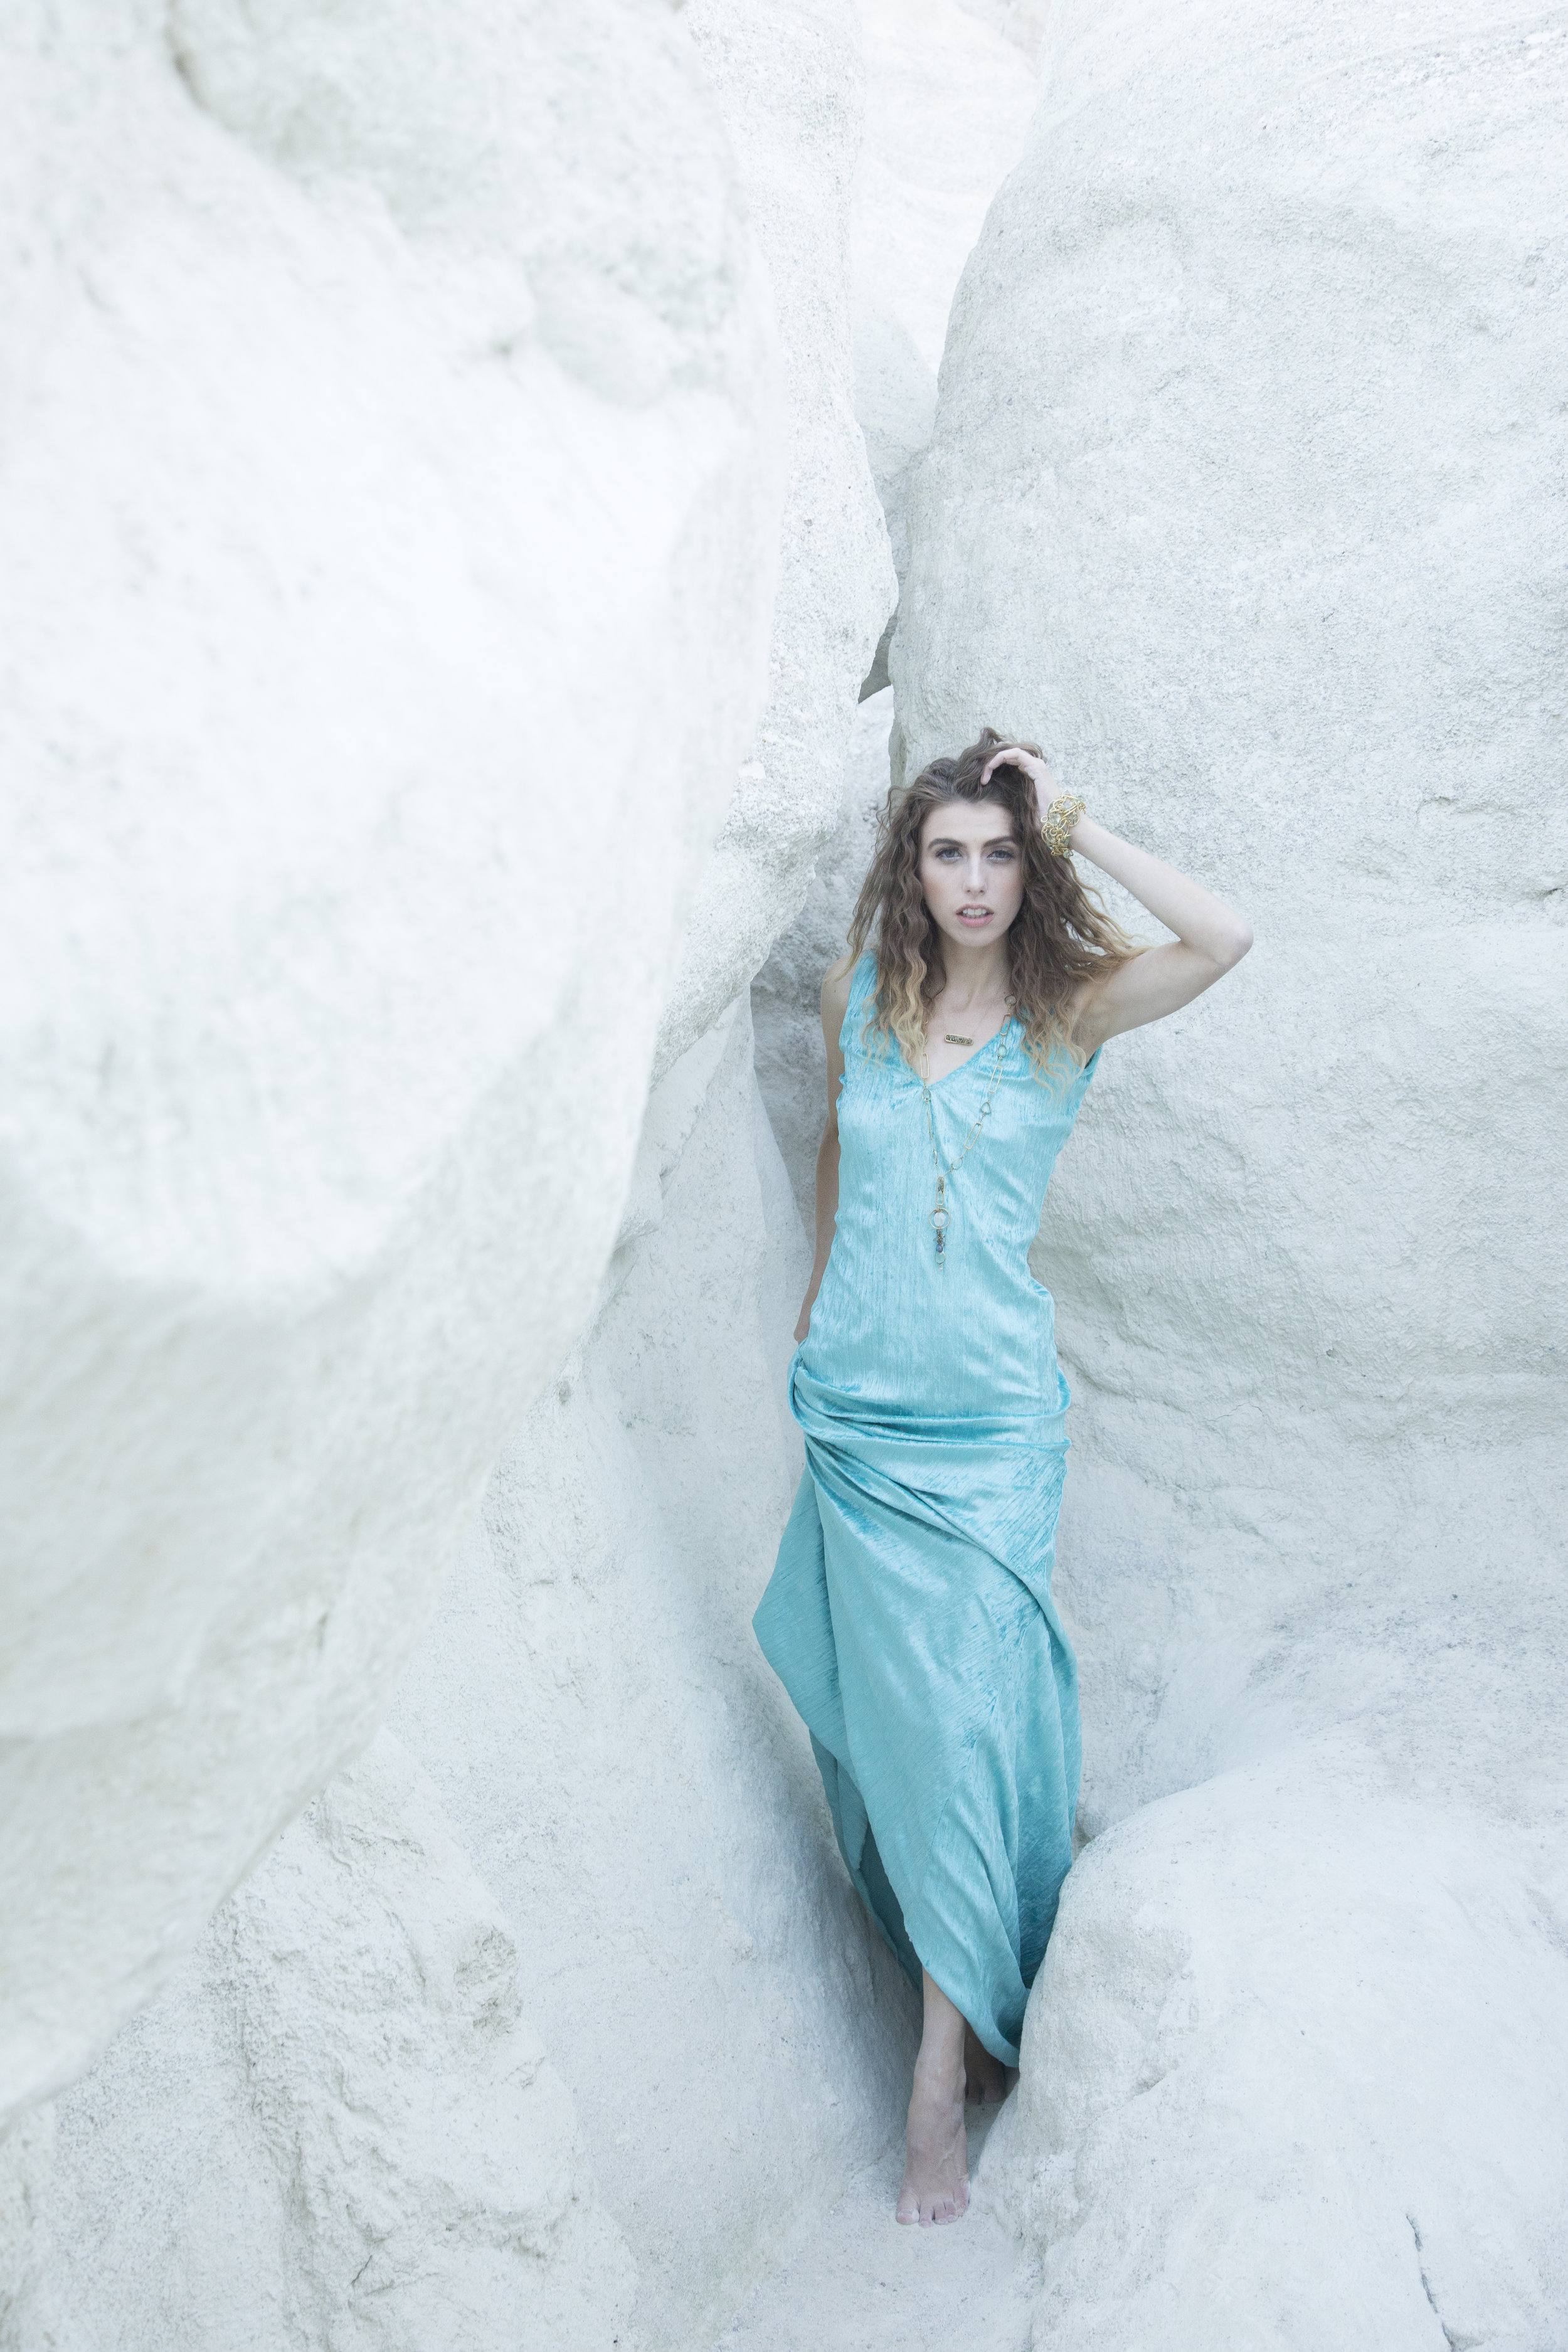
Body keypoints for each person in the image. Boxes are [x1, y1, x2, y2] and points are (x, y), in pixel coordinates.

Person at [753, 728, 1252, 2227]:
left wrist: (1075, 816)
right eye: (947, 852)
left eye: (998, 852)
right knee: (887, 1725)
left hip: (987, 1439)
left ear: (1025, 869)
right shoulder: (868, 994)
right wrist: (820, 1304)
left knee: (968, 1727)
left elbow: (1224, 939)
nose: (972, 880)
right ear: (911, 871)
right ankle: (946, 1980)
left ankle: (935, 2071)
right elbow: (841, 1150)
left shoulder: (1067, 1012)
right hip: (857, 1417)